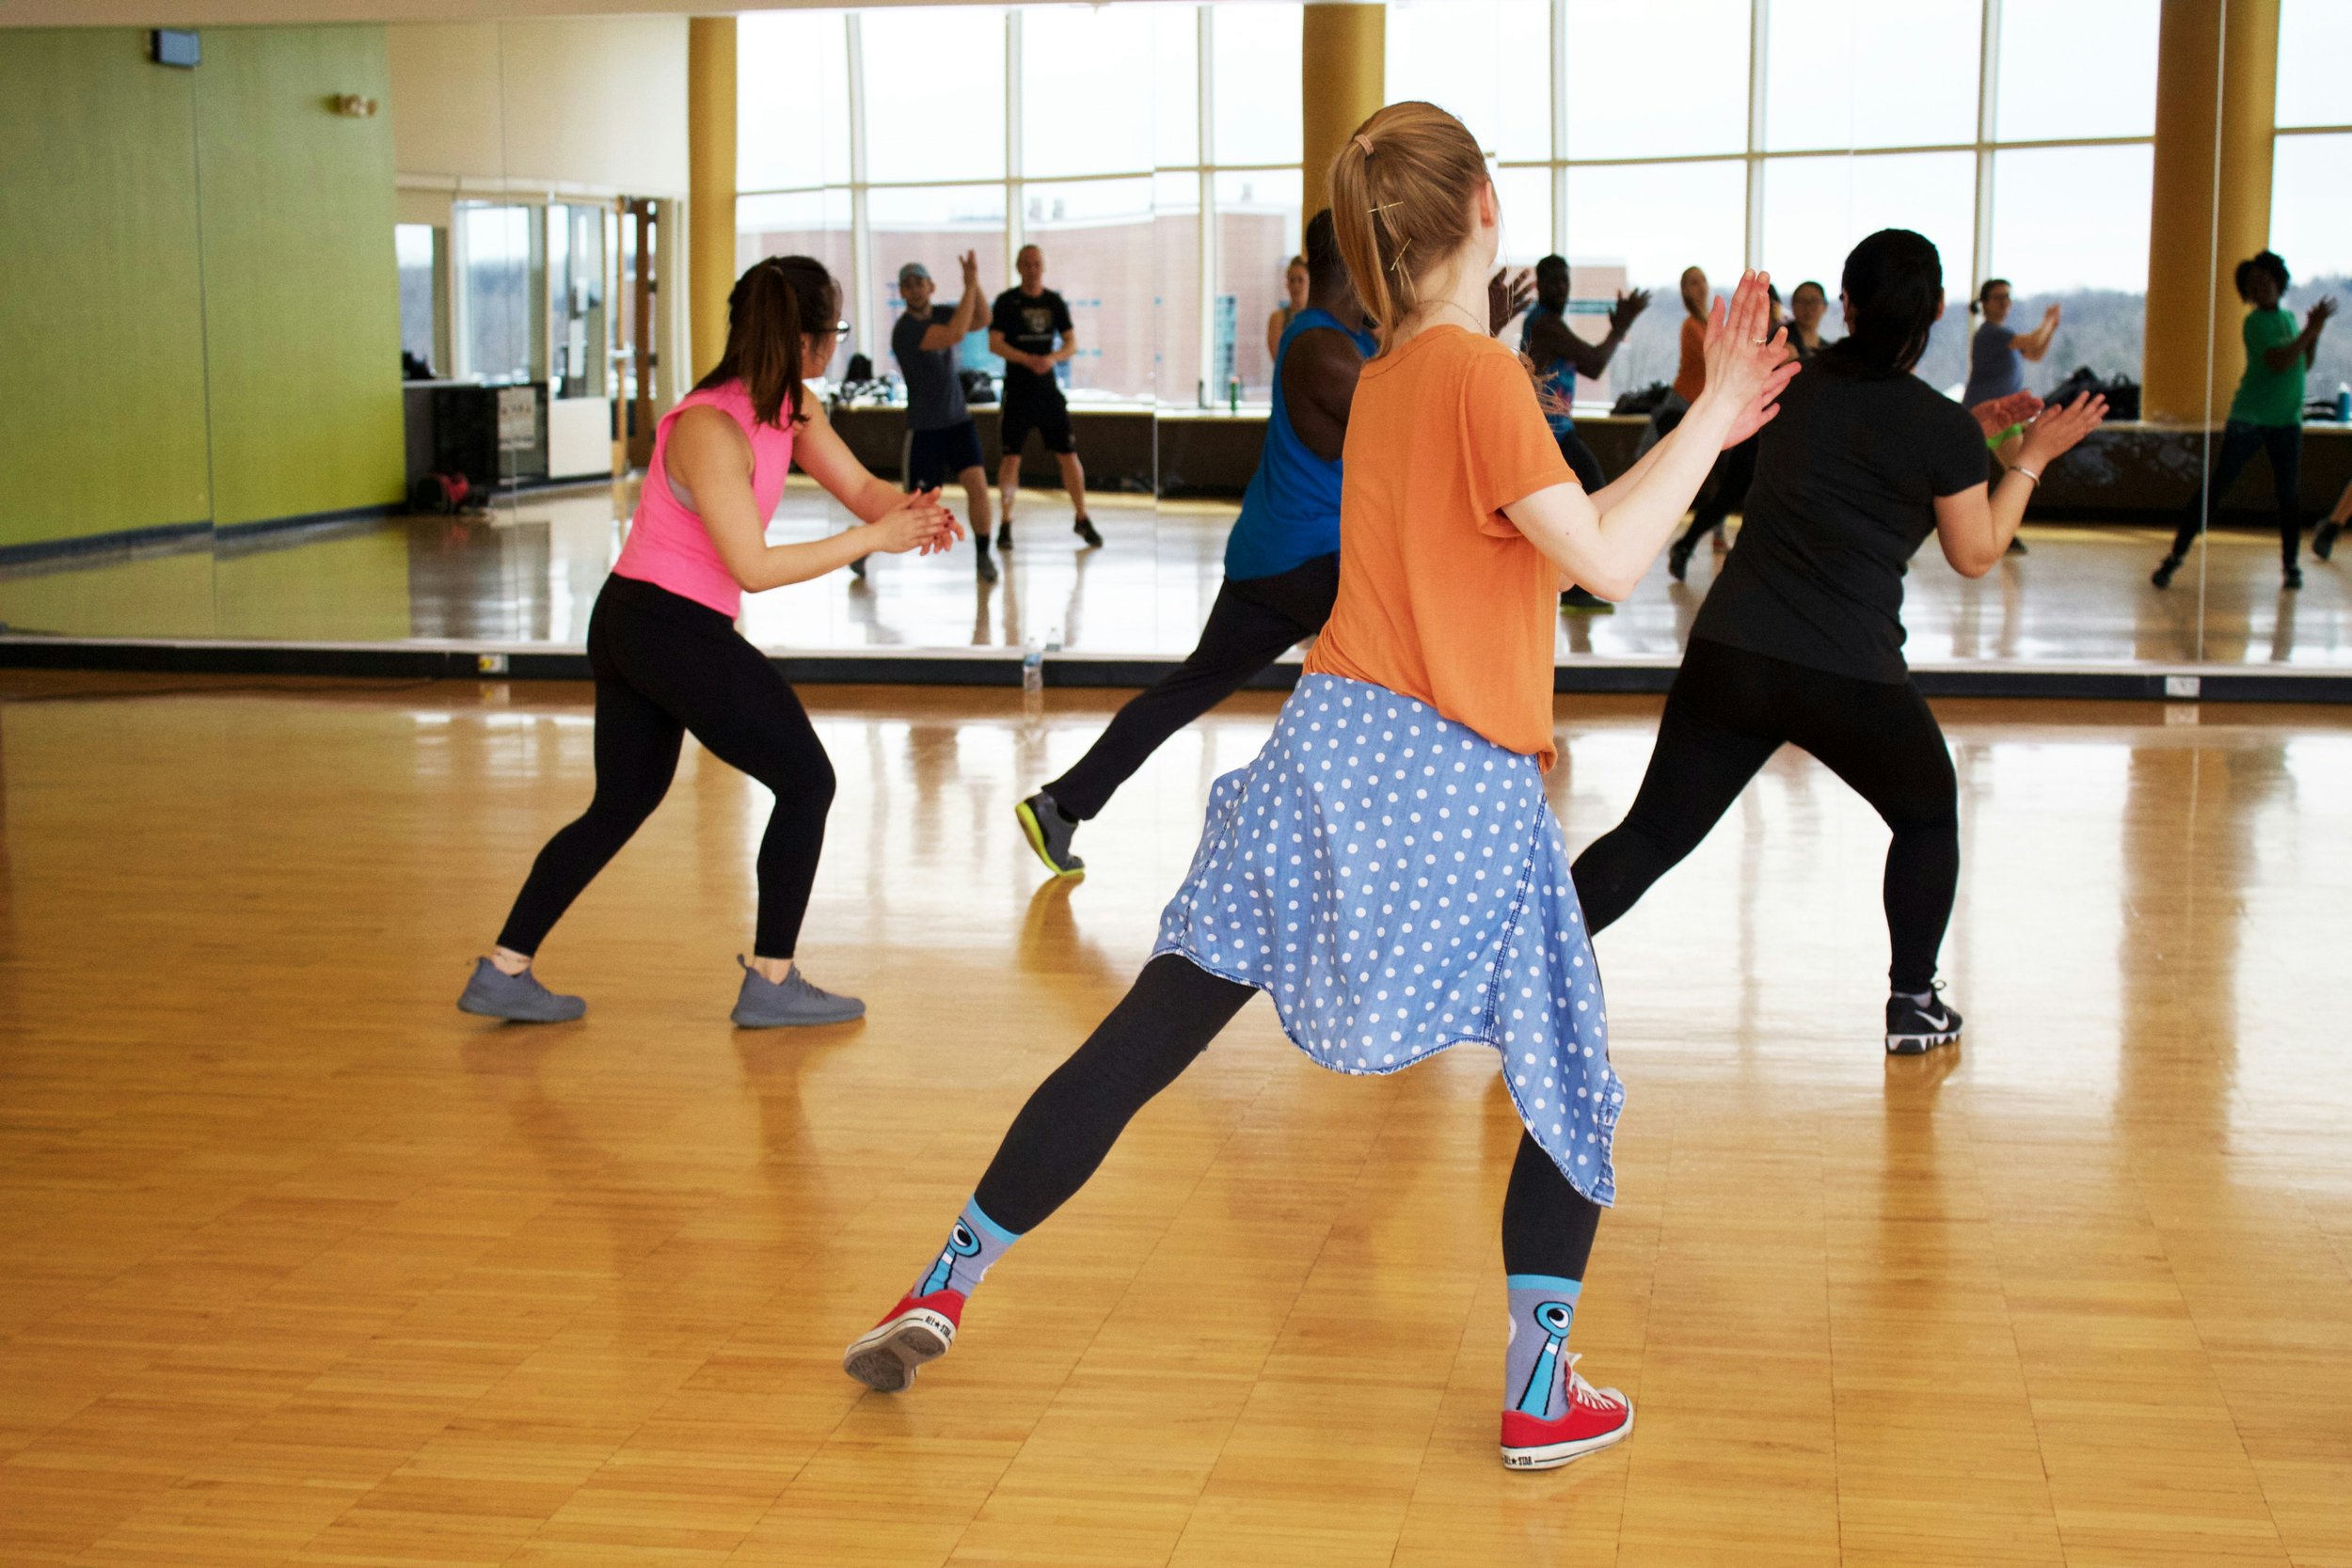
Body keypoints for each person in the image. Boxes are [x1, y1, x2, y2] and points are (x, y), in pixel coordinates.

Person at [842, 100, 1796, 1475]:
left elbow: (1562, 530)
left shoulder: (1398, 371)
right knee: (1569, 1076)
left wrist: (1699, 419)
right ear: (1483, 206)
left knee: (1150, 1030)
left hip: (1325, 744)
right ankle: (1540, 1387)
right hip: (1456, 772)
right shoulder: (1477, 378)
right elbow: (1608, 562)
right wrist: (1711, 412)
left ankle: (944, 1277)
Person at [1568, 229, 2106, 1056]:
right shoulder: (1939, 430)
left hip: (1733, 652)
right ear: (1933, 314)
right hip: (1848, 672)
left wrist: (1970, 432)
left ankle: (1525, 969)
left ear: (1846, 305)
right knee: (1927, 814)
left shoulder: (1791, 383)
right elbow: (1976, 552)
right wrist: (2028, 456)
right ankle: (1913, 1001)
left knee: (1651, 834)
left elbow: (1853, 431)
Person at [457, 258, 960, 1028]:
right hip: (661, 626)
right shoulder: (708, 427)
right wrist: (872, 538)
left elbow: (862, 489)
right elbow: (752, 569)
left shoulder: (794, 408)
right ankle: (771, 978)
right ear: (805, 339)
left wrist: (912, 513)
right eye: (833, 331)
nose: (834, 346)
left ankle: (504, 968)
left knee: (622, 801)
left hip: (649, 622)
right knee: (807, 781)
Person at [2153, 251, 2336, 591]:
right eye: (2253, 284)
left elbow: (2303, 363)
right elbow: (2280, 361)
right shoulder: (2254, 323)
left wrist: (2316, 331)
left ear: (2278, 283)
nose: (2261, 287)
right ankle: (2175, 557)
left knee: (2289, 494)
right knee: (2217, 488)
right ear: (2247, 293)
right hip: (2249, 418)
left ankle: (2291, 566)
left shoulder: (2289, 320)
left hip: (2286, 420)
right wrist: (2309, 330)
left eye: (2266, 280)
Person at [1522, 256, 1649, 613]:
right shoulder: (1545, 324)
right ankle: (1577, 583)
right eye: (1552, 282)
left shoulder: (1549, 322)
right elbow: (1595, 364)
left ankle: (1574, 581)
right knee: (1593, 494)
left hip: (1560, 430)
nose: (1560, 288)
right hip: (1550, 433)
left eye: (1564, 281)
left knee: (1590, 496)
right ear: (1539, 286)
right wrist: (1620, 328)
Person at [1666, 284, 1786, 582]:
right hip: (1751, 433)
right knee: (1729, 495)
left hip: (1785, 436)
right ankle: (1685, 545)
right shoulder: (1764, 341)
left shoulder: (1803, 342)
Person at [892, 253, 998, 583]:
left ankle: (983, 554)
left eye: (919, 283)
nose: (914, 290)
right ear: (902, 293)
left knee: (978, 488)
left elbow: (981, 318)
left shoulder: (940, 313)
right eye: (907, 285)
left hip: (958, 423)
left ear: (931, 287)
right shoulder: (905, 330)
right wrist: (967, 286)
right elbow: (954, 335)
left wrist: (975, 283)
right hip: (925, 430)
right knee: (912, 506)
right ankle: (864, 549)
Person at [991, 245, 1099, 550]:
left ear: (1043, 267)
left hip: (1047, 392)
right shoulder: (1007, 302)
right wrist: (1026, 359)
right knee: (1011, 458)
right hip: (1017, 391)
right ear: (1018, 267)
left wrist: (1051, 359)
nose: (1032, 268)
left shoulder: (1054, 302)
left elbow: (1071, 343)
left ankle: (1082, 517)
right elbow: (995, 343)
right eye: (1026, 263)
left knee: (1068, 455)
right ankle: (1006, 522)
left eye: (1036, 263)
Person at [1961, 278, 2059, 408]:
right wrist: (2049, 320)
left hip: (1997, 411)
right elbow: (2034, 341)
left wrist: (2051, 328)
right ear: (1984, 303)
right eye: (1997, 297)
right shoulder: (1990, 332)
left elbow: (2035, 355)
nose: (2004, 302)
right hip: (1982, 411)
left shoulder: (2006, 335)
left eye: (2007, 296)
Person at [1265, 252, 1308, 362]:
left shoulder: (1317, 317)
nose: (1296, 286)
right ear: (1287, 284)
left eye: (1300, 280)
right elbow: (1278, 357)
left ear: (1309, 283)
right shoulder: (1278, 318)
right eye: (1292, 280)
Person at [1788, 279, 1831, 363]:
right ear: (1792, 305)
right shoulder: (1781, 338)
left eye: (1814, 301)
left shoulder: (1827, 349)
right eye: (1801, 301)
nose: (1808, 308)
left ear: (1825, 307)